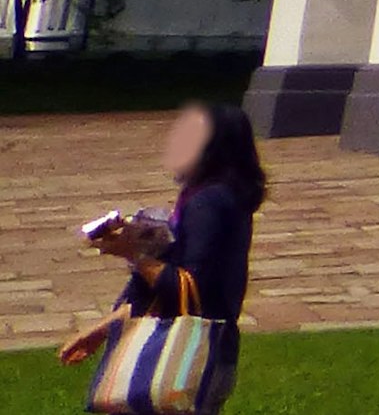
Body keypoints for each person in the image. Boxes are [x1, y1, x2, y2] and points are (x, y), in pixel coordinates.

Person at [56, 96, 263, 408]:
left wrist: (134, 253)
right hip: (206, 352)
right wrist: (102, 328)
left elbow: (190, 288)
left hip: (183, 355)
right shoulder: (213, 197)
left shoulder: (209, 203)